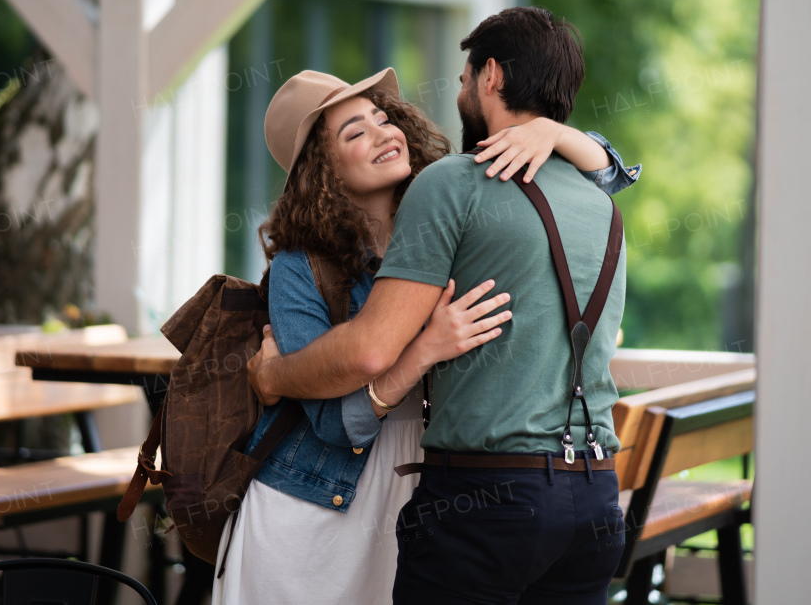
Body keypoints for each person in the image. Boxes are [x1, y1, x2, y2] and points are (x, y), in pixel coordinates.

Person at [216, 50, 638, 605]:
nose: (382, 133)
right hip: (316, 514)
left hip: (427, 493)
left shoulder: (455, 213)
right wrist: (424, 348)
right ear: (323, 171)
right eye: (353, 133)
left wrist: (549, 133)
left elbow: (598, 182)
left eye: (383, 117)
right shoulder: (300, 267)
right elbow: (337, 426)